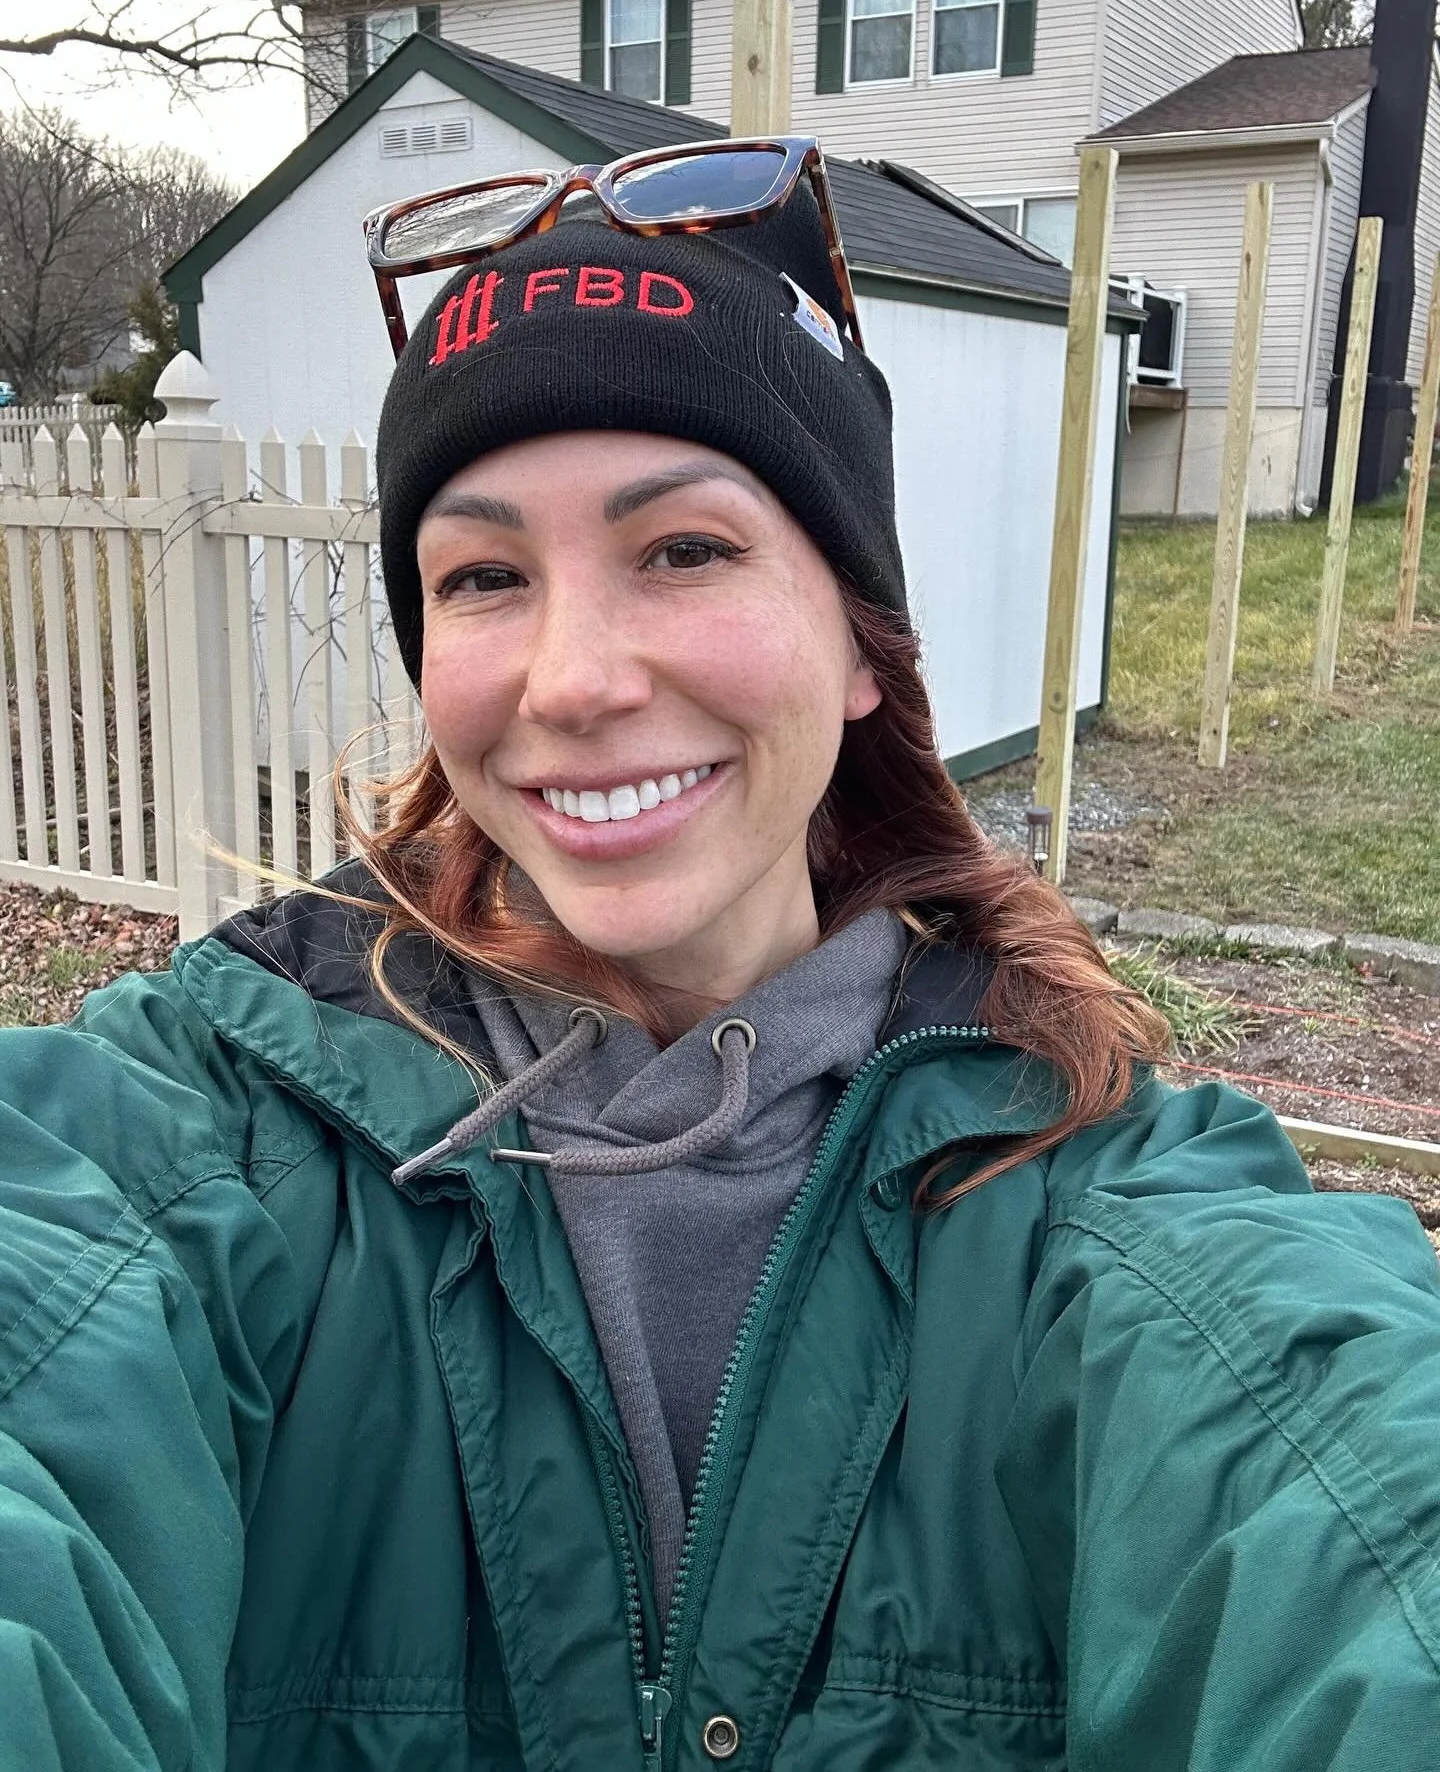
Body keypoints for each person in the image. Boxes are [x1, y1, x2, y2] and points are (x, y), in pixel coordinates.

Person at [3, 140, 1440, 1772]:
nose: (570, 680)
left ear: (859, 646)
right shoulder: (200, 1134)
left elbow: (1356, 1516)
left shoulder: (1092, 1199)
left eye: (683, 549)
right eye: (483, 577)